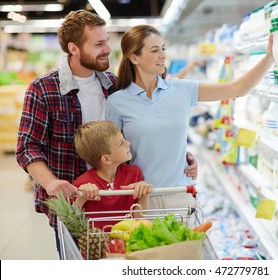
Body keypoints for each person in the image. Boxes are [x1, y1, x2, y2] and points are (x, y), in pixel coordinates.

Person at [15, 10, 197, 257]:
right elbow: (27, 147)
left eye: (107, 41)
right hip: (75, 205)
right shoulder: (43, 89)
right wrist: (51, 182)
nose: (107, 49)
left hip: (119, 202)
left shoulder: (113, 84)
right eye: (98, 44)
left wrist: (178, 155)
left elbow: (139, 127)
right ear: (74, 48)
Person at [106, 25, 275, 190]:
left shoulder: (182, 89)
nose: (163, 55)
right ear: (134, 58)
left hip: (182, 195)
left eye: (163, 49)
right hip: (139, 198)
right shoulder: (117, 102)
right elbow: (111, 159)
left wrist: (269, 59)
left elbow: (237, 88)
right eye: (155, 50)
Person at [73, 120, 152, 230]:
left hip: (129, 243)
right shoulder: (82, 183)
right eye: (121, 143)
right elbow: (72, 224)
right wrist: (81, 198)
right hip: (98, 244)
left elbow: (140, 219)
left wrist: (143, 193)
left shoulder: (134, 173)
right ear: (106, 159)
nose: (128, 143)